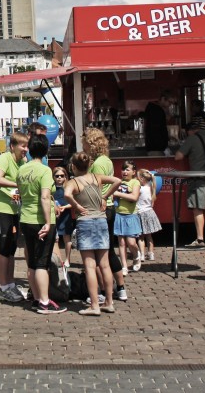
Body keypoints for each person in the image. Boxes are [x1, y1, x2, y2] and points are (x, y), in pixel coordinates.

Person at [62, 152, 121, 316]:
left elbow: (66, 194)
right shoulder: (97, 177)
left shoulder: (73, 181)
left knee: (89, 266)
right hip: (101, 220)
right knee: (105, 264)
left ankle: (95, 304)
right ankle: (109, 302)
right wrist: (105, 197)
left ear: (73, 166)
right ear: (89, 165)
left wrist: (76, 206)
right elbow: (117, 180)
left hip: (85, 221)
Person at [16, 135, 64, 314]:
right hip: (40, 220)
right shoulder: (44, 170)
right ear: (45, 151)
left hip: (26, 218)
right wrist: (48, 221)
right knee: (42, 262)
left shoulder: (22, 170)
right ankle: (44, 301)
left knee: (32, 263)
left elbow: (21, 193)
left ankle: (36, 298)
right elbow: (44, 196)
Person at [85, 127, 127, 301]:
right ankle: (120, 287)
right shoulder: (105, 160)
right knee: (108, 250)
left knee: (99, 253)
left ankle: (103, 291)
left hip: (100, 209)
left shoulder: (99, 163)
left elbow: (96, 186)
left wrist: (103, 196)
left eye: (85, 143)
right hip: (108, 208)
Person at [0, 131, 28, 303]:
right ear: (13, 146)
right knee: (4, 248)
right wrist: (17, 184)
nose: (25, 149)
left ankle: (11, 284)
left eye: (27, 145)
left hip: (13, 209)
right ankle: (4, 287)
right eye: (22, 145)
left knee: (12, 247)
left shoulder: (22, 162)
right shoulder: (5, 158)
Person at [175, 121, 205, 247]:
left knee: (198, 208)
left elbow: (178, 156)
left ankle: (200, 239)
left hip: (198, 177)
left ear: (191, 130)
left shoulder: (192, 139)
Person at [114, 161, 142, 272]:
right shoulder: (118, 182)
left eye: (127, 170)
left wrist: (117, 194)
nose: (124, 172)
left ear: (133, 172)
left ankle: (136, 255)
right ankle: (124, 266)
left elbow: (134, 197)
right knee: (121, 243)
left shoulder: (135, 183)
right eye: (123, 169)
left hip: (131, 215)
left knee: (131, 242)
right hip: (119, 214)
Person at [135, 168, 161, 263]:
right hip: (150, 212)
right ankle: (151, 254)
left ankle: (141, 255)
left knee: (141, 237)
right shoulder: (151, 187)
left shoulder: (140, 189)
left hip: (140, 213)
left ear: (141, 179)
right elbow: (152, 204)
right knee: (149, 236)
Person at [142, 90, 173, 155]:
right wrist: (163, 145)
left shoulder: (154, 108)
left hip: (154, 146)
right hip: (156, 147)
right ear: (163, 99)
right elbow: (156, 130)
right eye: (170, 102)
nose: (170, 105)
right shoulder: (156, 110)